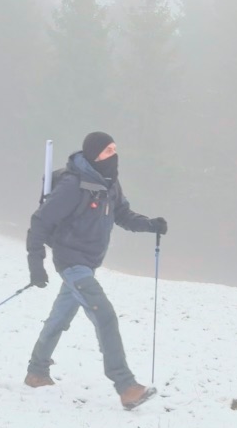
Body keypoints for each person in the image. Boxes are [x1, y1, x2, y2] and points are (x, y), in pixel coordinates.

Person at [24, 131, 168, 409]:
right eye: (106, 152)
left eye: (114, 149)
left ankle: (36, 371)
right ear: (93, 156)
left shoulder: (109, 184)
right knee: (106, 317)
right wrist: (36, 263)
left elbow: (122, 215)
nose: (112, 156)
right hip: (72, 263)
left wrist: (151, 225)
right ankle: (125, 385)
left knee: (59, 319)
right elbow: (40, 221)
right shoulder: (73, 186)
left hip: (87, 265)